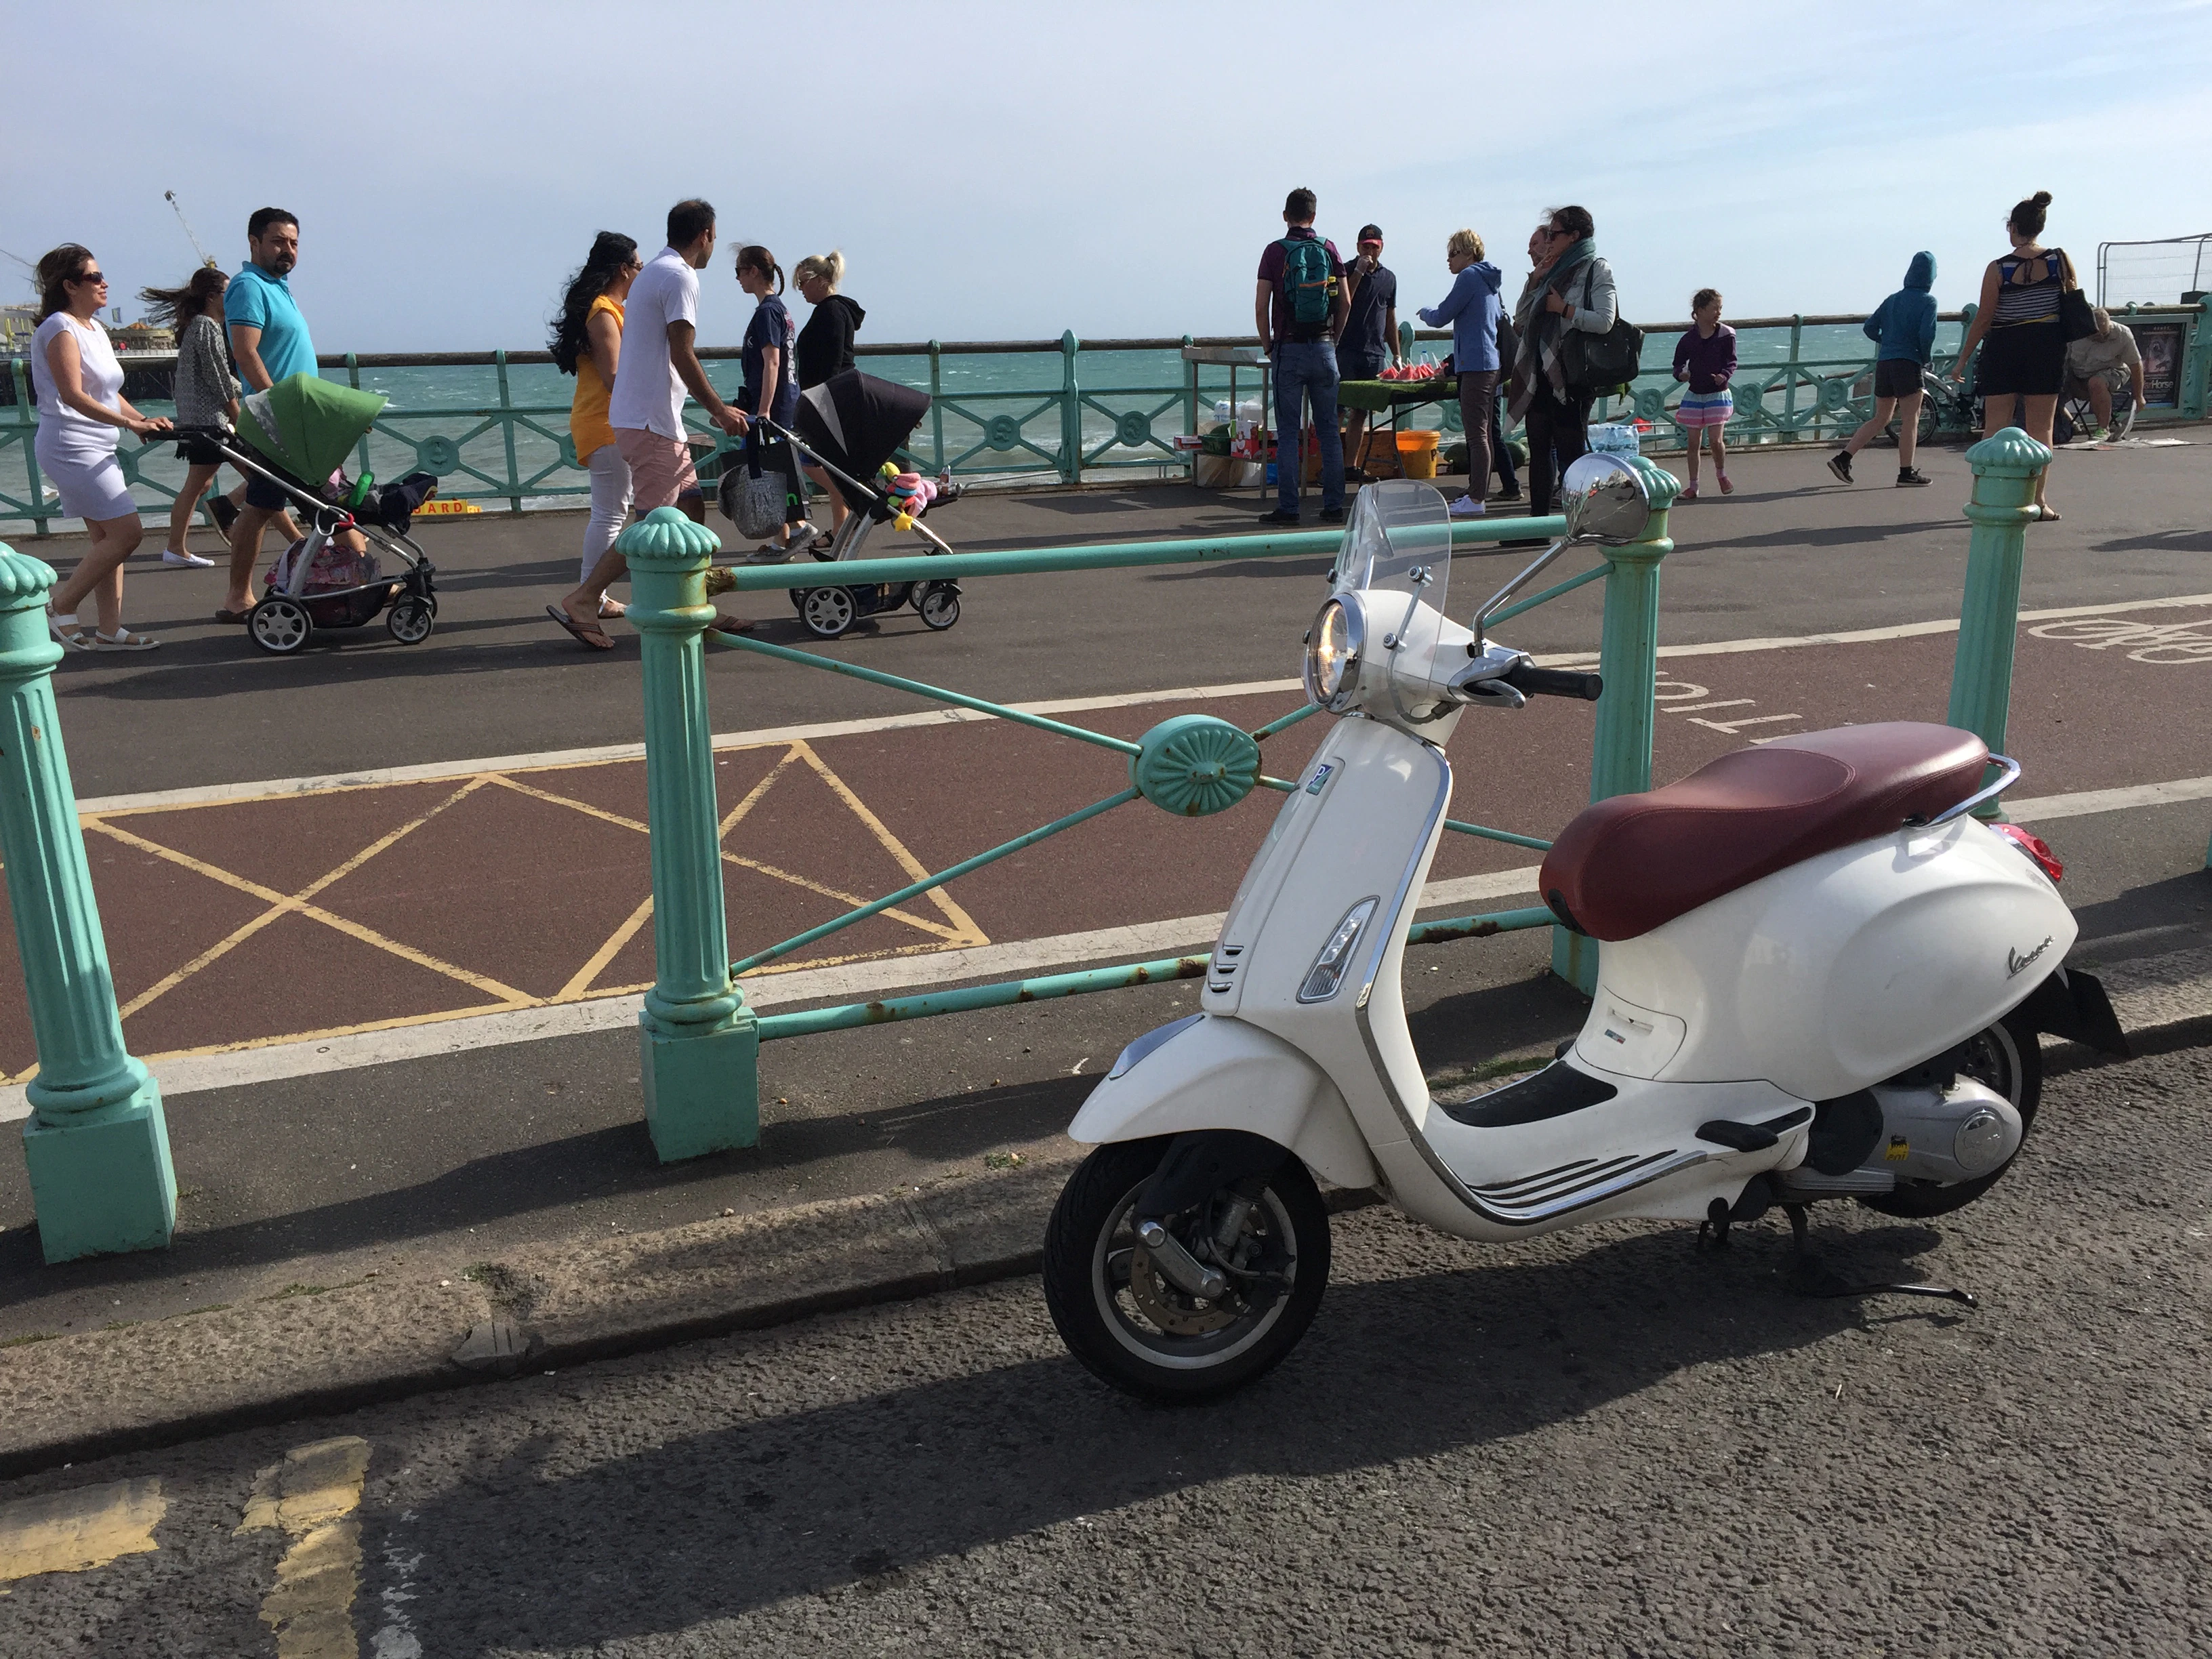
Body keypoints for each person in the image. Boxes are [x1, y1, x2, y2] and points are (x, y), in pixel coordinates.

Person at [550, 199, 750, 648]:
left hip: (657, 419)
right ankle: (585, 598)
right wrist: (719, 410)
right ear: (706, 236)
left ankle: (695, 603)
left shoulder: (655, 273)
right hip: (648, 421)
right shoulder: (680, 276)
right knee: (651, 528)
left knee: (692, 510)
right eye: (714, 236)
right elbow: (682, 351)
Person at [30, 246, 171, 649]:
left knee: (107, 540)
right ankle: (60, 607)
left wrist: (140, 419)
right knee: (127, 534)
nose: (104, 282)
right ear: (70, 286)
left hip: (96, 444)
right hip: (70, 444)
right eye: (94, 277)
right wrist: (129, 424)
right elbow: (72, 395)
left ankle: (109, 629)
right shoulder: (60, 328)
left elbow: (108, 392)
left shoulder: (94, 328)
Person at [1950, 190, 2076, 520]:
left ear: (2012, 227)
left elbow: (1984, 318)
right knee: (2041, 430)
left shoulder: (1998, 268)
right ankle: (2039, 501)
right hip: (2047, 347)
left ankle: (1985, 496)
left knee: (1994, 428)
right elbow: (2073, 299)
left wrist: (1963, 359)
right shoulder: (2058, 260)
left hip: (2005, 346)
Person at [220, 208, 318, 620]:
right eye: (278, 241)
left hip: (297, 417)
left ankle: (240, 597)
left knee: (264, 503)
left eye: (294, 243)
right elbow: (245, 351)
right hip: (276, 418)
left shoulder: (279, 286)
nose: (288, 250)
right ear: (254, 243)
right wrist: (277, 402)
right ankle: (239, 597)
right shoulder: (248, 285)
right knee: (289, 502)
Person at [1508, 206, 1616, 533]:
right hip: (1541, 371)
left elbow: (1605, 321)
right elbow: (1521, 320)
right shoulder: (1550, 271)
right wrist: (1535, 282)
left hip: (1573, 374)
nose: (1549, 241)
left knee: (1572, 454)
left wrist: (1565, 309)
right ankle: (1537, 528)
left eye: (1554, 235)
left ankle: (1578, 524)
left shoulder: (1597, 269)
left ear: (1574, 237)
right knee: (1539, 449)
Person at [551, 231, 642, 617]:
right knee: (610, 513)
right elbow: (614, 376)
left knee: (612, 511)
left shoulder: (612, 308)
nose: (642, 272)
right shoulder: (604, 311)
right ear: (624, 269)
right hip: (606, 422)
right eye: (638, 266)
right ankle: (593, 596)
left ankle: (594, 594)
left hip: (605, 420)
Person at [1254, 187, 1349, 527]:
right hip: (1324, 349)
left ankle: (1290, 509)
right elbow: (1345, 302)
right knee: (1327, 430)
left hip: (1289, 349)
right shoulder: (1329, 248)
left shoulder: (1275, 252)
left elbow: (1261, 306)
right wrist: (1332, 341)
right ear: (1314, 216)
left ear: (1285, 216)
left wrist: (1269, 346)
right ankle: (1334, 505)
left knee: (1290, 432)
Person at [138, 266, 237, 566]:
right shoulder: (207, 326)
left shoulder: (197, 325)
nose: (233, 298)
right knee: (261, 479)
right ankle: (296, 543)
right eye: (228, 292)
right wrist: (238, 405)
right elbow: (218, 375)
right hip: (210, 422)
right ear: (212, 297)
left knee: (200, 484)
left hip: (200, 419)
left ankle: (177, 546)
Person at [1827, 252, 1937, 489]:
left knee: (1881, 417)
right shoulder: (1928, 301)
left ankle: (1843, 458)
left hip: (1885, 363)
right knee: (1911, 420)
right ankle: (1906, 473)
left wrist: (1886, 341)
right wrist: (1924, 358)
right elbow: (1927, 335)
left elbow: (1869, 328)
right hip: (1908, 363)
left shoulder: (1892, 299)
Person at [735, 245, 814, 558]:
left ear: (754, 271)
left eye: (740, 271)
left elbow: (772, 362)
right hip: (782, 401)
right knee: (769, 469)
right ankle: (784, 538)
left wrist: (764, 410)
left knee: (767, 468)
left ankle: (796, 529)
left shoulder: (768, 311)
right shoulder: (779, 309)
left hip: (774, 407)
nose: (738, 279)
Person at [1417, 229, 1502, 516]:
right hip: (1490, 363)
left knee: (1476, 434)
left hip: (1476, 367)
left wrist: (1425, 312)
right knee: (1486, 434)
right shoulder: (1490, 282)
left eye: (1453, 253)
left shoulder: (1468, 277)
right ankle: (1477, 491)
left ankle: (1476, 499)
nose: (1449, 260)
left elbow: (1442, 316)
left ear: (1469, 254)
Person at [794, 251, 864, 534]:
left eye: (803, 283)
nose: (801, 290)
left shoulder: (832, 311)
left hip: (829, 399)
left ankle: (845, 519)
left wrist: (822, 400)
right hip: (828, 397)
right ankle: (839, 530)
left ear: (822, 281)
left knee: (815, 465)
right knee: (828, 467)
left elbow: (834, 361)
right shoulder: (832, 310)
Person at [1337, 226, 1398, 480]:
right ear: (1358, 246)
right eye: (1366, 246)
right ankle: (1328, 466)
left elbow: (1390, 316)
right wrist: (1359, 272)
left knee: (1360, 412)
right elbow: (1343, 299)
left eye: (1374, 247)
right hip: (1345, 349)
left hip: (1374, 352)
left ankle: (1349, 466)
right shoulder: (1346, 270)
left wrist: (1397, 354)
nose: (1370, 251)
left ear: (1382, 247)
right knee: (1336, 410)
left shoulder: (1389, 277)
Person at [1671, 289, 1737, 501]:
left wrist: (1724, 375)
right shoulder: (1689, 339)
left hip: (1718, 394)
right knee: (1693, 443)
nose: (1718, 312)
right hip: (1694, 394)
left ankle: (1721, 475)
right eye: (1714, 308)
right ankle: (1693, 486)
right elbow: (1678, 363)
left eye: (1720, 308)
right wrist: (1681, 374)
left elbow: (1732, 361)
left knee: (1716, 440)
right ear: (1699, 311)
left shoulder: (1726, 334)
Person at [2064, 306, 2144, 438]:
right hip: (2077, 372)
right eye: (2096, 335)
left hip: (2112, 371)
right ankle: (2070, 422)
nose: (2101, 338)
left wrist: (2139, 396)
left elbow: (2136, 365)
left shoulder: (2123, 334)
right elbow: (2064, 361)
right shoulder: (2074, 332)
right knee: (2048, 387)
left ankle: (2103, 429)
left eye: (2105, 334)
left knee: (2096, 383)